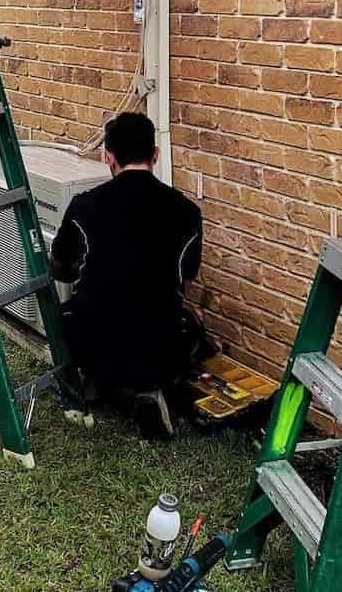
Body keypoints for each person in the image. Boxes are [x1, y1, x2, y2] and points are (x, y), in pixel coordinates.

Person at [50, 112, 203, 439]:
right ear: (155, 154)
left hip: (94, 344)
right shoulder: (188, 212)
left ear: (109, 157)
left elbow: (60, 269)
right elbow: (185, 281)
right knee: (188, 323)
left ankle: (79, 394)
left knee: (64, 314)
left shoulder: (84, 206)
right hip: (163, 350)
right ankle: (148, 390)